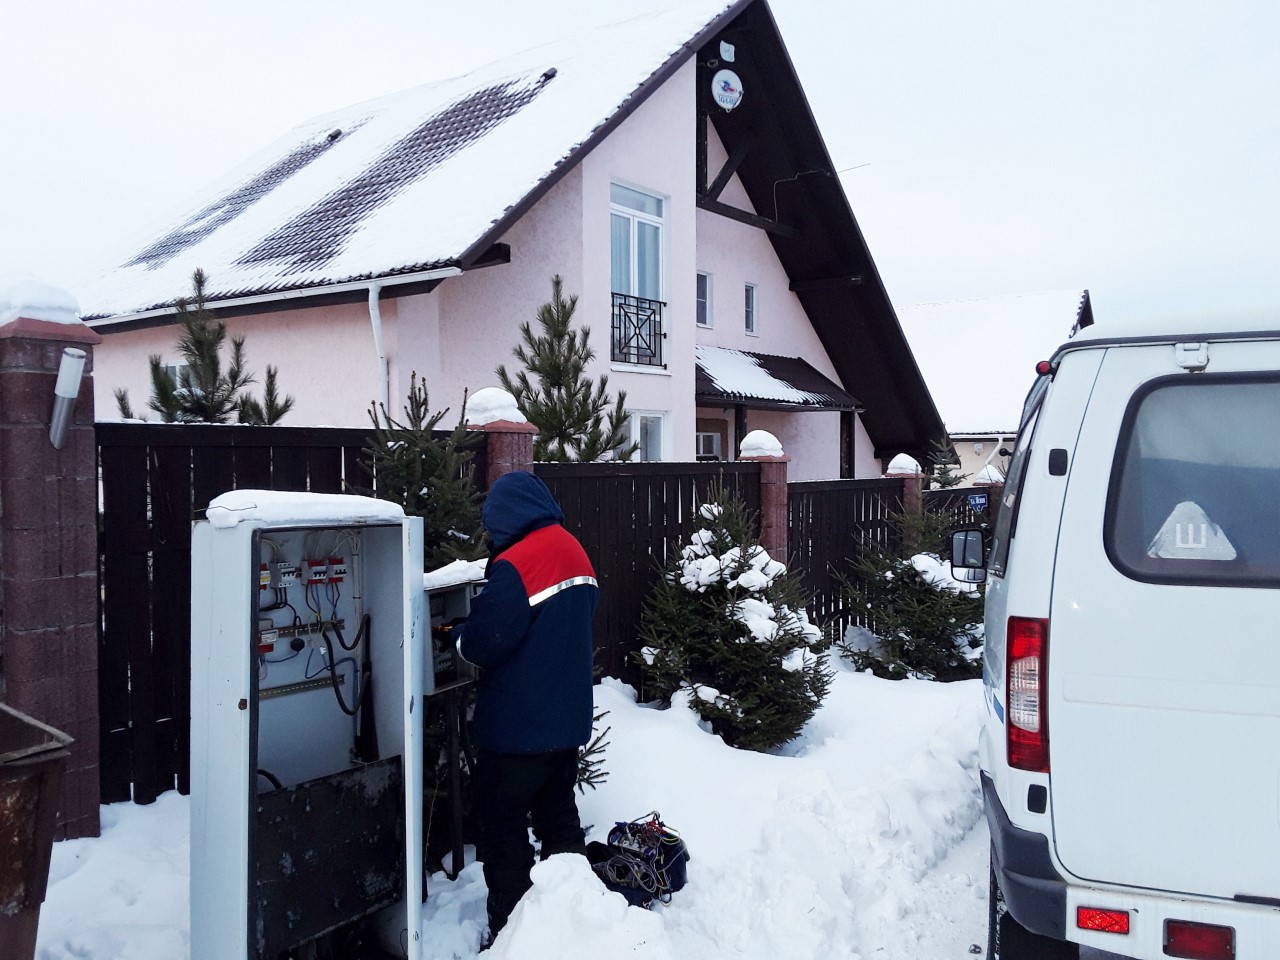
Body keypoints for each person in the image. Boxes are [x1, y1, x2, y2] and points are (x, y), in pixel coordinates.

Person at [455, 470, 598, 943]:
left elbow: (485, 641)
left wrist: (457, 640)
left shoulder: (519, 563)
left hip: (517, 729)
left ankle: (513, 933)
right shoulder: (572, 549)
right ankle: (576, 917)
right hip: (566, 720)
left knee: (504, 831)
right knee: (559, 817)